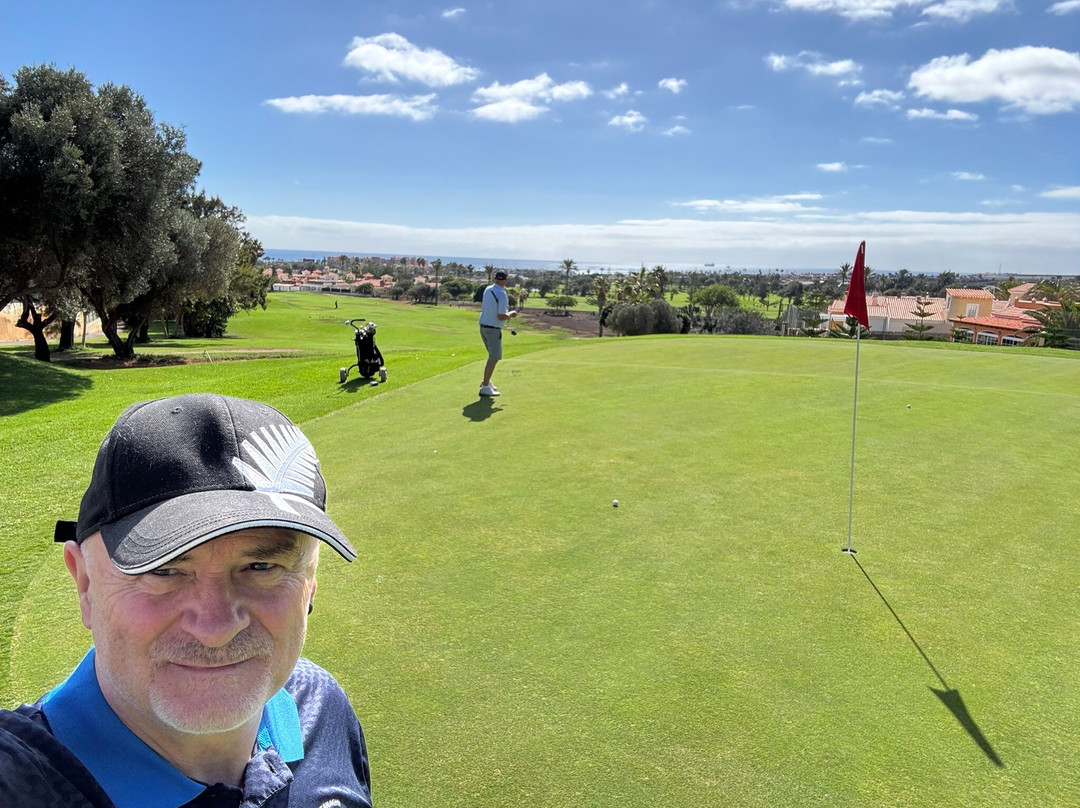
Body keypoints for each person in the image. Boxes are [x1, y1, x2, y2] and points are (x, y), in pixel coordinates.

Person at [0, 393, 373, 808]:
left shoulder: (320, 706)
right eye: (163, 570)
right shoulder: (18, 781)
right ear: (85, 583)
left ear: (309, 583)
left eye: (261, 566)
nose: (215, 629)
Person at [477, 270, 517, 397]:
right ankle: (485, 386)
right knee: (494, 358)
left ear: (495, 279)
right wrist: (511, 313)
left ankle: (486, 382)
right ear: (505, 280)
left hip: (483, 327)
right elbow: (501, 316)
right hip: (493, 329)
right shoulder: (502, 294)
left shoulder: (488, 289)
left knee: (492, 356)